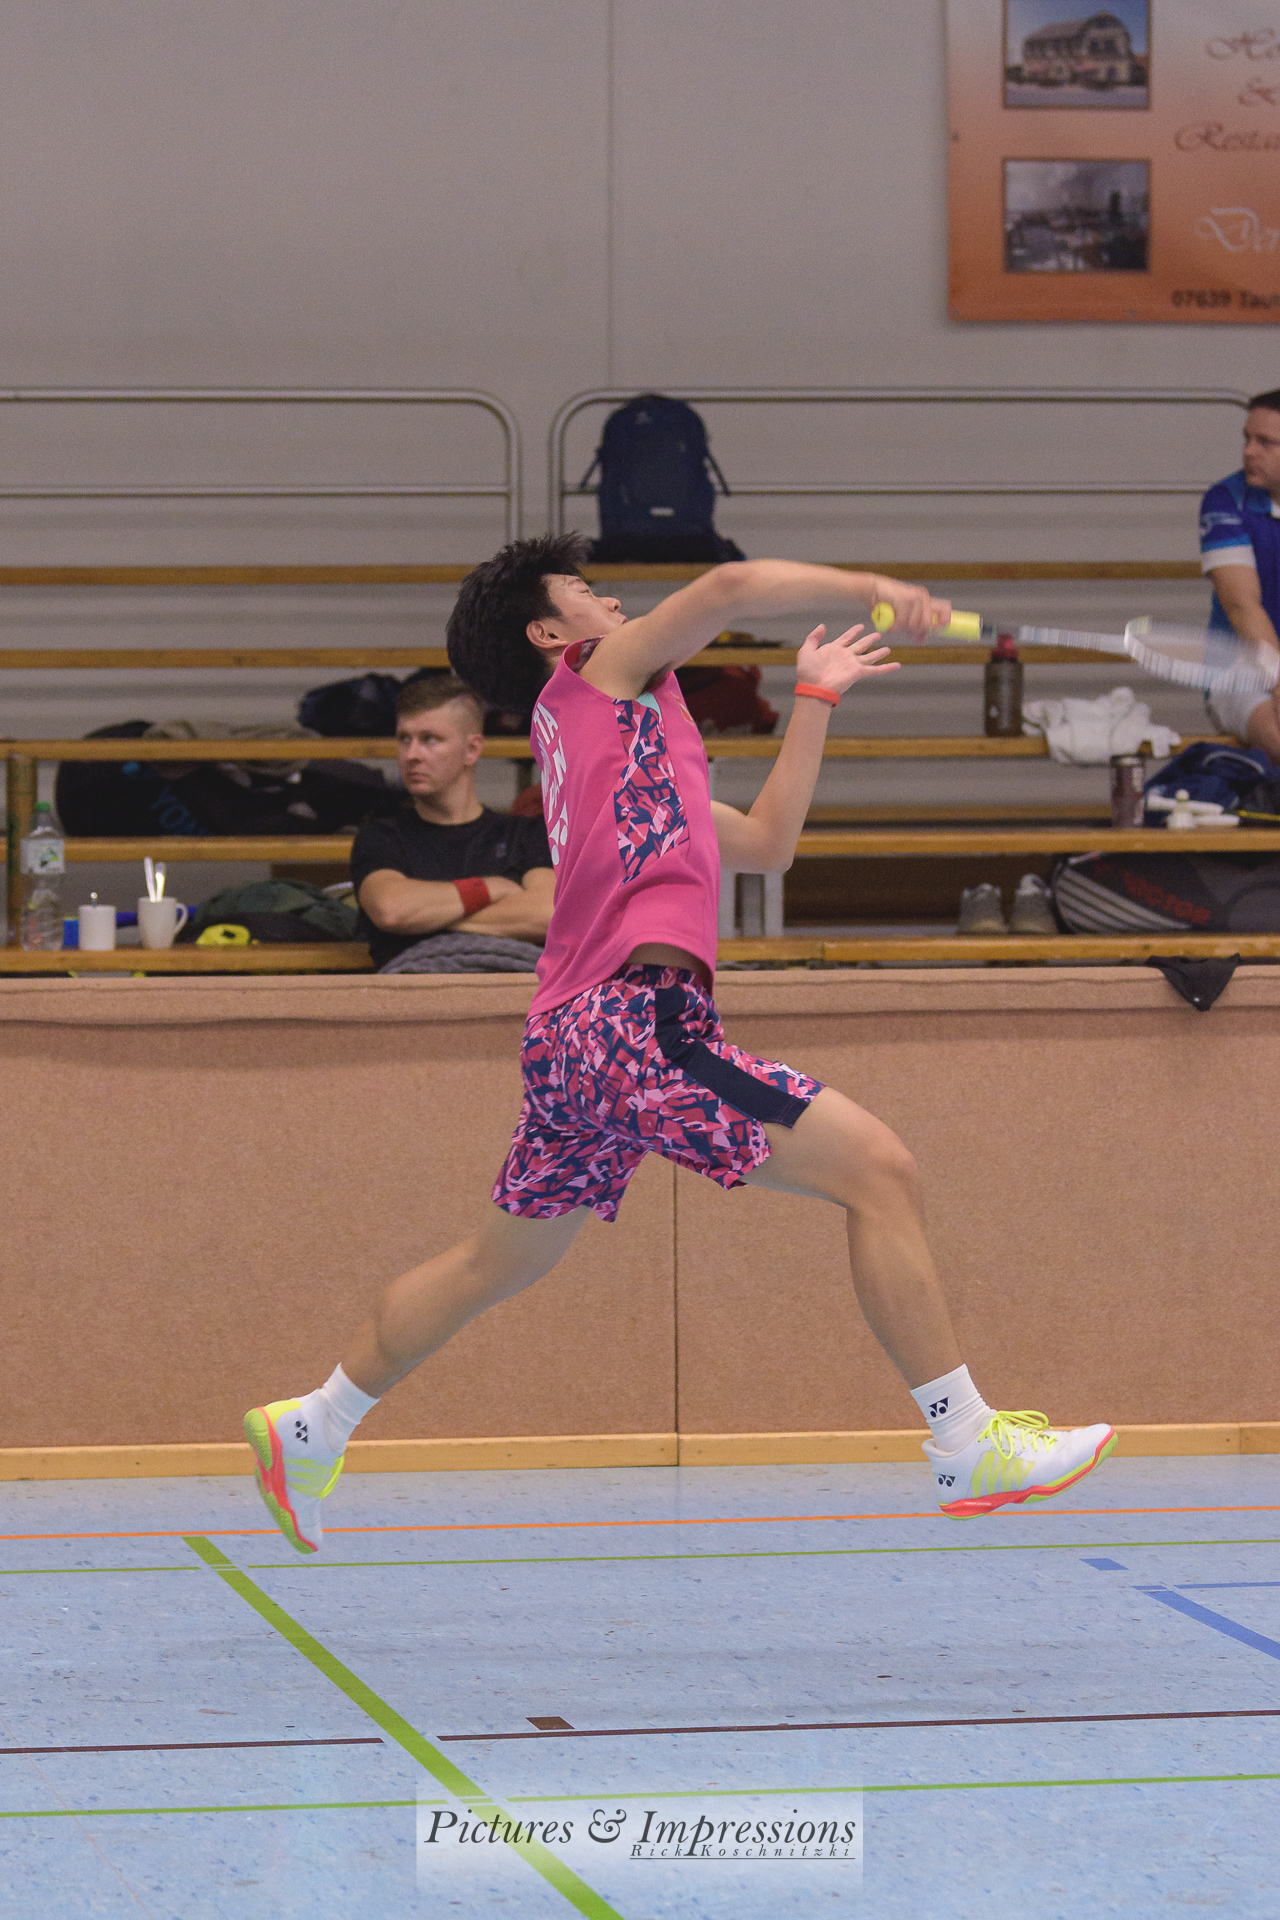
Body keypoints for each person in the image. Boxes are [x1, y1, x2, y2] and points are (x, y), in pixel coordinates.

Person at [245, 535, 1115, 1552]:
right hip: (636, 1019)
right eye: (585, 591)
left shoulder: (621, 756)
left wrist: (814, 698)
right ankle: (965, 1441)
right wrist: (875, 587)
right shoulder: (592, 680)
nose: (612, 603)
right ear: (549, 633)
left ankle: (314, 1424)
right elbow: (733, 586)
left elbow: (766, 845)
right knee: (879, 1170)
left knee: (493, 1263)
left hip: (569, 1039)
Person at [351, 674, 554, 970]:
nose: (411, 755)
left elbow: (547, 915)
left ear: (472, 749)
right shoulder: (381, 836)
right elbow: (392, 910)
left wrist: (427, 918)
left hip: (509, 986)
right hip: (413, 988)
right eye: (404, 739)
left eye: (429, 739)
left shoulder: (525, 834)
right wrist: (488, 889)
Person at [1200, 387, 1280, 757]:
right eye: (1247, 439)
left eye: (1266, 443)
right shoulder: (1224, 501)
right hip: (1237, 674)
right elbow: (1242, 605)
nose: (1249, 452)